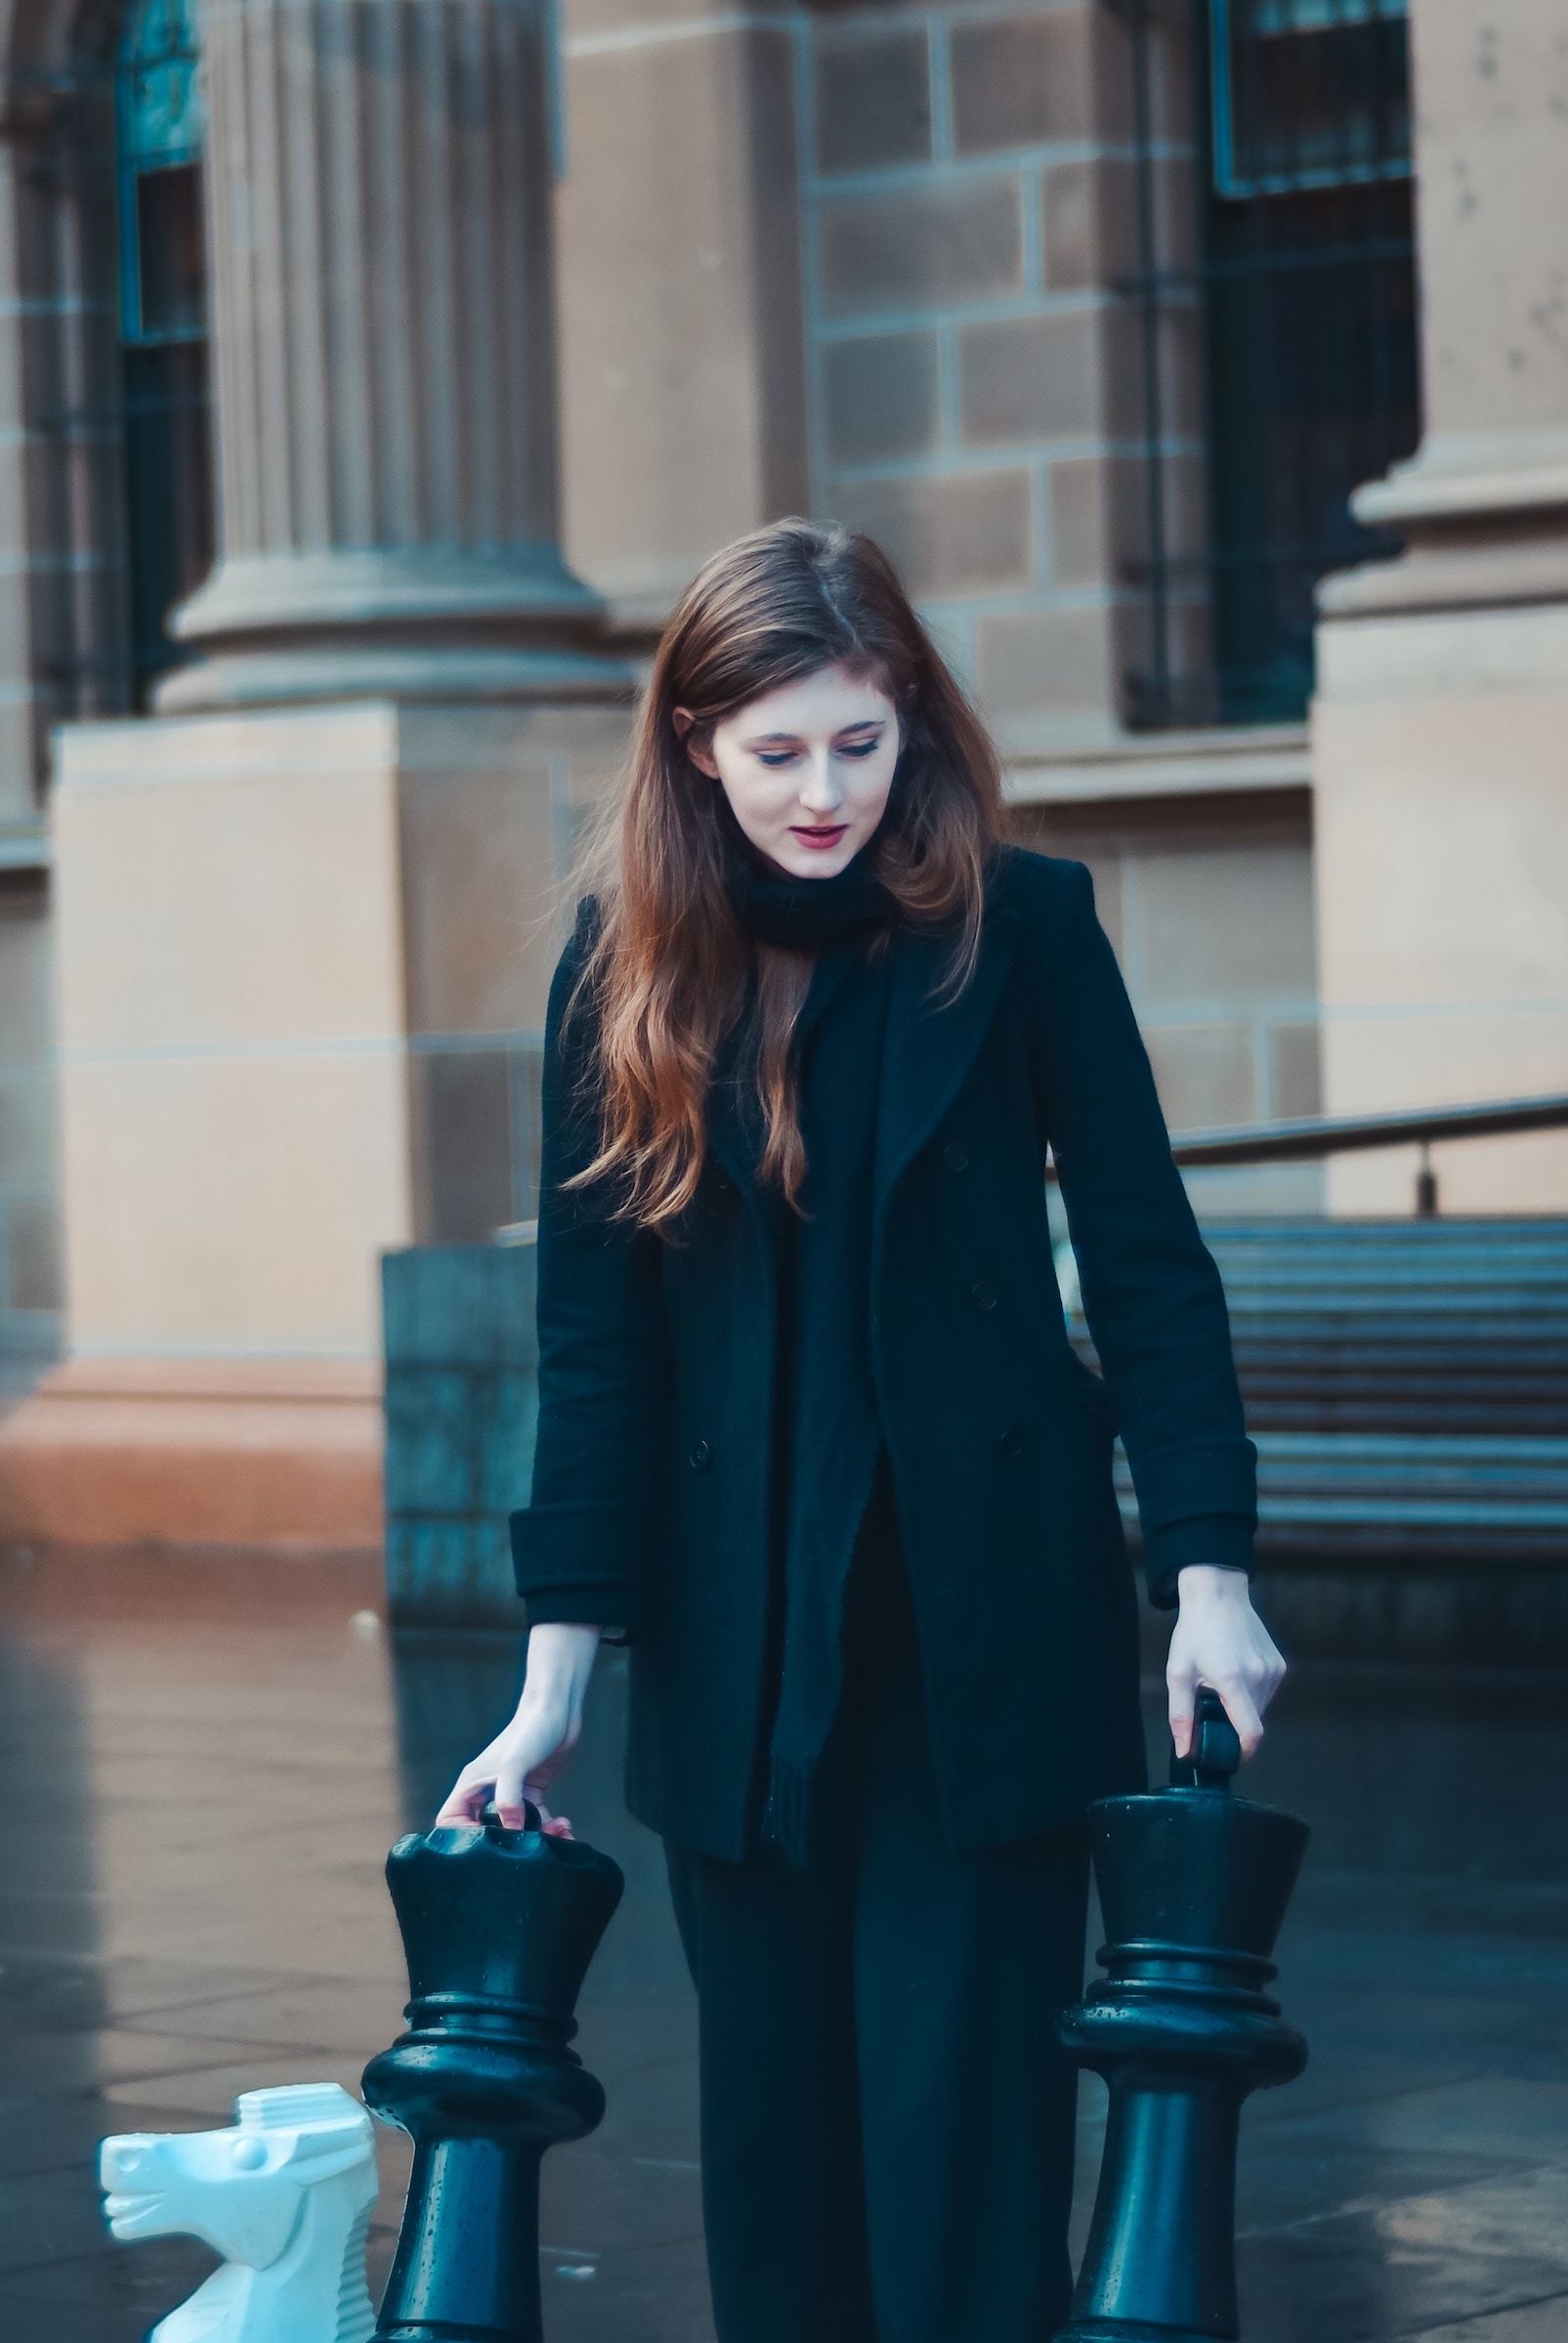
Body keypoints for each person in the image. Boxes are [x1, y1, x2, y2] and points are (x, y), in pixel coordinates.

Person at [435, 519, 1287, 2343]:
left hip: (986, 1638)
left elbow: (1147, 1266)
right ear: (693, 746)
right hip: (744, 1663)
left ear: (909, 719)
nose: (824, 792)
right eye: (776, 750)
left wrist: (1206, 1574)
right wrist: (553, 1682)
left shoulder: (1024, 927)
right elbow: (596, 1349)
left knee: (966, 2163)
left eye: (859, 740)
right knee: (779, 2175)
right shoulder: (626, 969)